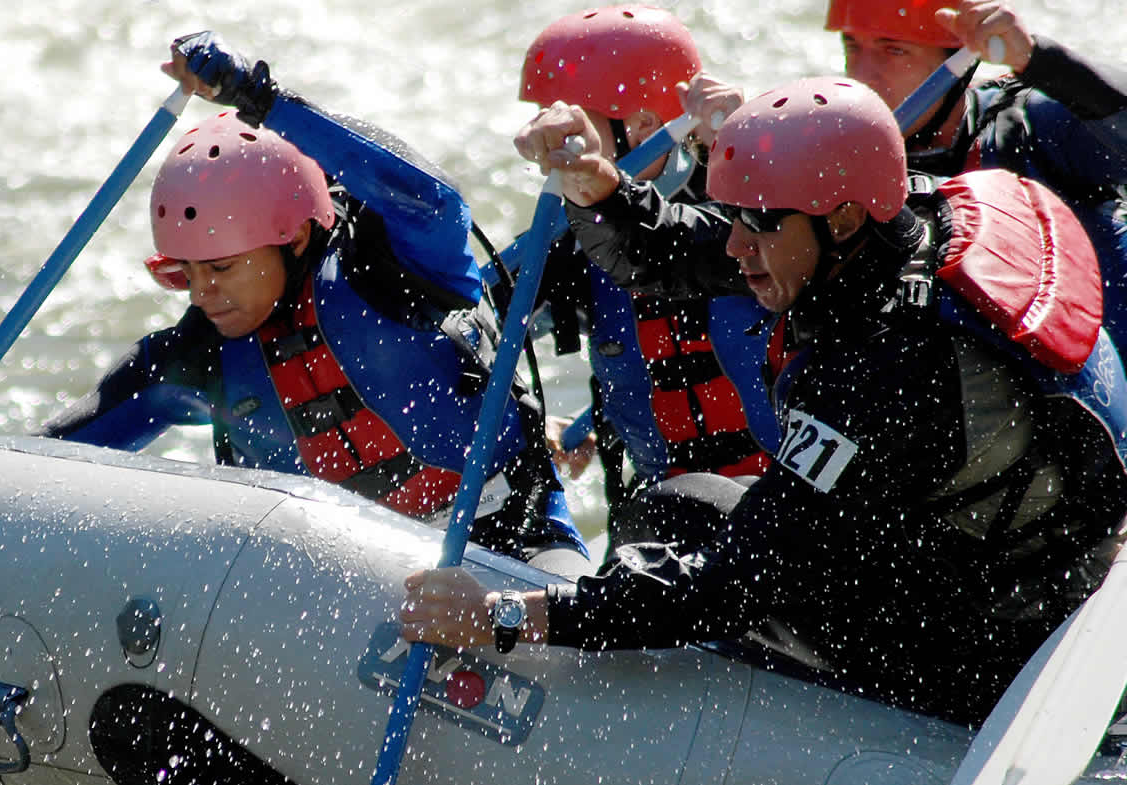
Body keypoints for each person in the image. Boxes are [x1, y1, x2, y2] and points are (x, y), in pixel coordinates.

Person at [402, 76, 1127, 725]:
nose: (740, 246)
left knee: (676, 522)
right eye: (738, 217)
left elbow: (726, 585)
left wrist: (507, 617)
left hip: (993, 651)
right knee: (675, 502)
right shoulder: (925, 212)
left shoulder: (881, 373)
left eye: (760, 223)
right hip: (1037, 572)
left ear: (839, 220)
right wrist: (601, 188)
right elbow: (696, 251)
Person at [0, 32, 594, 585]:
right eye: (183, 275)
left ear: (291, 240)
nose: (203, 294)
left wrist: (260, 97)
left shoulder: (404, 267)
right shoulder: (197, 358)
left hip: (511, 550)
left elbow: (421, 185)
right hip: (352, 592)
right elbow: (34, 462)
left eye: (220, 268)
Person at [515, 5, 781, 549]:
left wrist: (755, 149)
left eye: (573, 126)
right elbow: (470, 312)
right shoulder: (577, 240)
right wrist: (529, 420)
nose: (554, 146)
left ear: (639, 126)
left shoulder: (764, 214)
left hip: (783, 518)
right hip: (664, 532)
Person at [830, 0, 1127, 343]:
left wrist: (1038, 59)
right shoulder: (837, 169)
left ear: (957, 61)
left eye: (894, 51)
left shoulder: (1032, 127)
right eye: (852, 46)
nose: (862, 76)